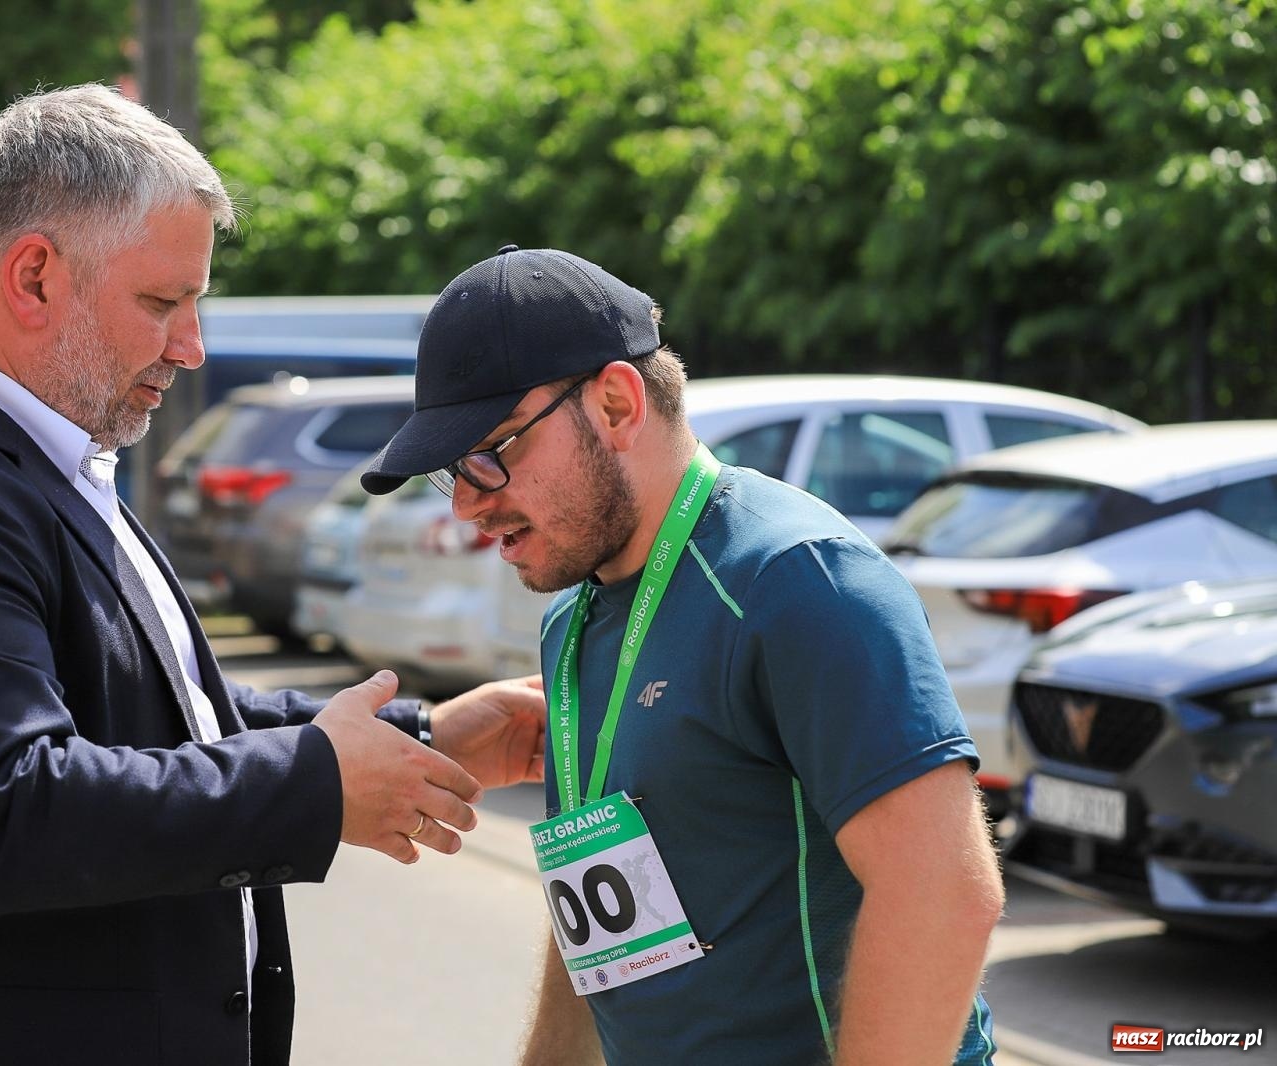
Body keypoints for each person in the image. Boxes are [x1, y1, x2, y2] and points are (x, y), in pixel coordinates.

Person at [0, 87, 544, 1066]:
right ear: (33, 276)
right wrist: (316, 782)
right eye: (161, 303)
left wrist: (422, 740)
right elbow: (10, 810)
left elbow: (159, 707)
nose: (191, 347)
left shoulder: (41, 463)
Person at [361, 246, 1005, 1065]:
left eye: (491, 452)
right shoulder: (572, 619)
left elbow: (942, 896)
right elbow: (605, 917)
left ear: (617, 404)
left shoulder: (797, 580)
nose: (466, 504)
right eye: (452, 470)